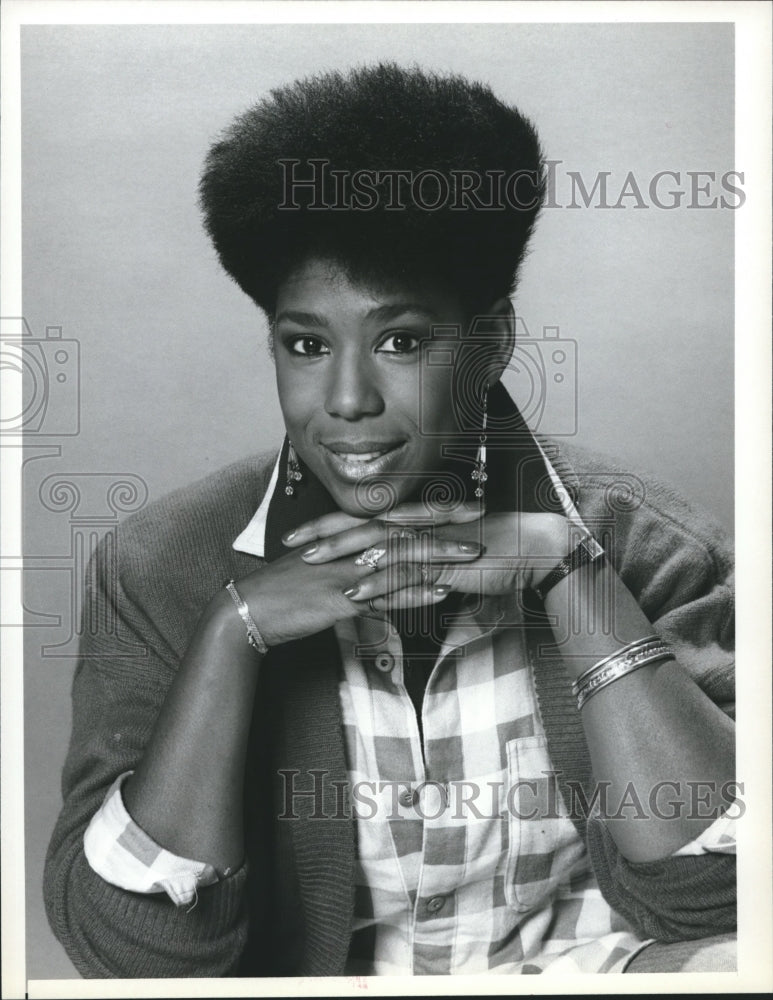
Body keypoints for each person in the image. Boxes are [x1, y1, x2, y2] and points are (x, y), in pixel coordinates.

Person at [44, 63, 737, 978]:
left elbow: (718, 903)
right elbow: (134, 957)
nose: (345, 399)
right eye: (304, 344)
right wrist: (232, 632)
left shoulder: (650, 542)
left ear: (491, 342)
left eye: (400, 341)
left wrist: (572, 574)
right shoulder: (159, 565)